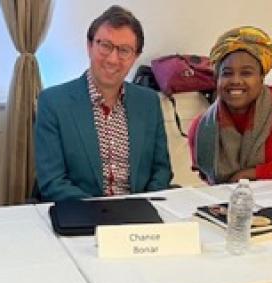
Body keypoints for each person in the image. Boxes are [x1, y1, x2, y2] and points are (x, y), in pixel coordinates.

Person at [35, 5, 173, 201]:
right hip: (81, 213)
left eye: (124, 50)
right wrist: (103, 212)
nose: (112, 59)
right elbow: (53, 182)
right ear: (90, 46)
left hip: (138, 214)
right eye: (105, 46)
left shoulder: (149, 102)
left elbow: (162, 171)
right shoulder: (53, 102)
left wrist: (143, 206)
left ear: (135, 57)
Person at [188, 26, 272, 184]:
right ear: (217, 79)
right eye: (227, 73)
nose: (235, 81)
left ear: (262, 77)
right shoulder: (201, 129)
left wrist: (250, 174)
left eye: (246, 73)